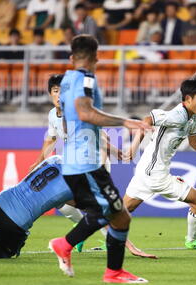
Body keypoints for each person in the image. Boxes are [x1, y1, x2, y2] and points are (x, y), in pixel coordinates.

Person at [49, 34, 152, 284]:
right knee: (113, 212)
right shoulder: (86, 78)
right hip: (86, 163)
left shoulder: (66, 81)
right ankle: (65, 244)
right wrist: (124, 121)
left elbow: (66, 119)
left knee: (117, 215)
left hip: (76, 160)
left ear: (72, 57)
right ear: (98, 56)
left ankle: (113, 272)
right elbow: (86, 113)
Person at [29, 74, 156, 258]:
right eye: (55, 91)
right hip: (76, 163)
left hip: (95, 163)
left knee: (99, 208)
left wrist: (103, 162)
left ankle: (127, 246)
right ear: (50, 94)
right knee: (62, 202)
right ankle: (80, 232)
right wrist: (39, 161)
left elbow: (101, 137)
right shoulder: (52, 114)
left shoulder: (78, 112)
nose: (59, 95)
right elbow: (51, 139)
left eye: (62, 91)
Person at [123, 76, 196, 252]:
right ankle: (192, 241)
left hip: (146, 170)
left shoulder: (190, 118)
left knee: (121, 212)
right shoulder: (177, 116)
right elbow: (148, 120)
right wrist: (133, 147)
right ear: (188, 99)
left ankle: (82, 235)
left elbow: (193, 141)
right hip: (156, 175)